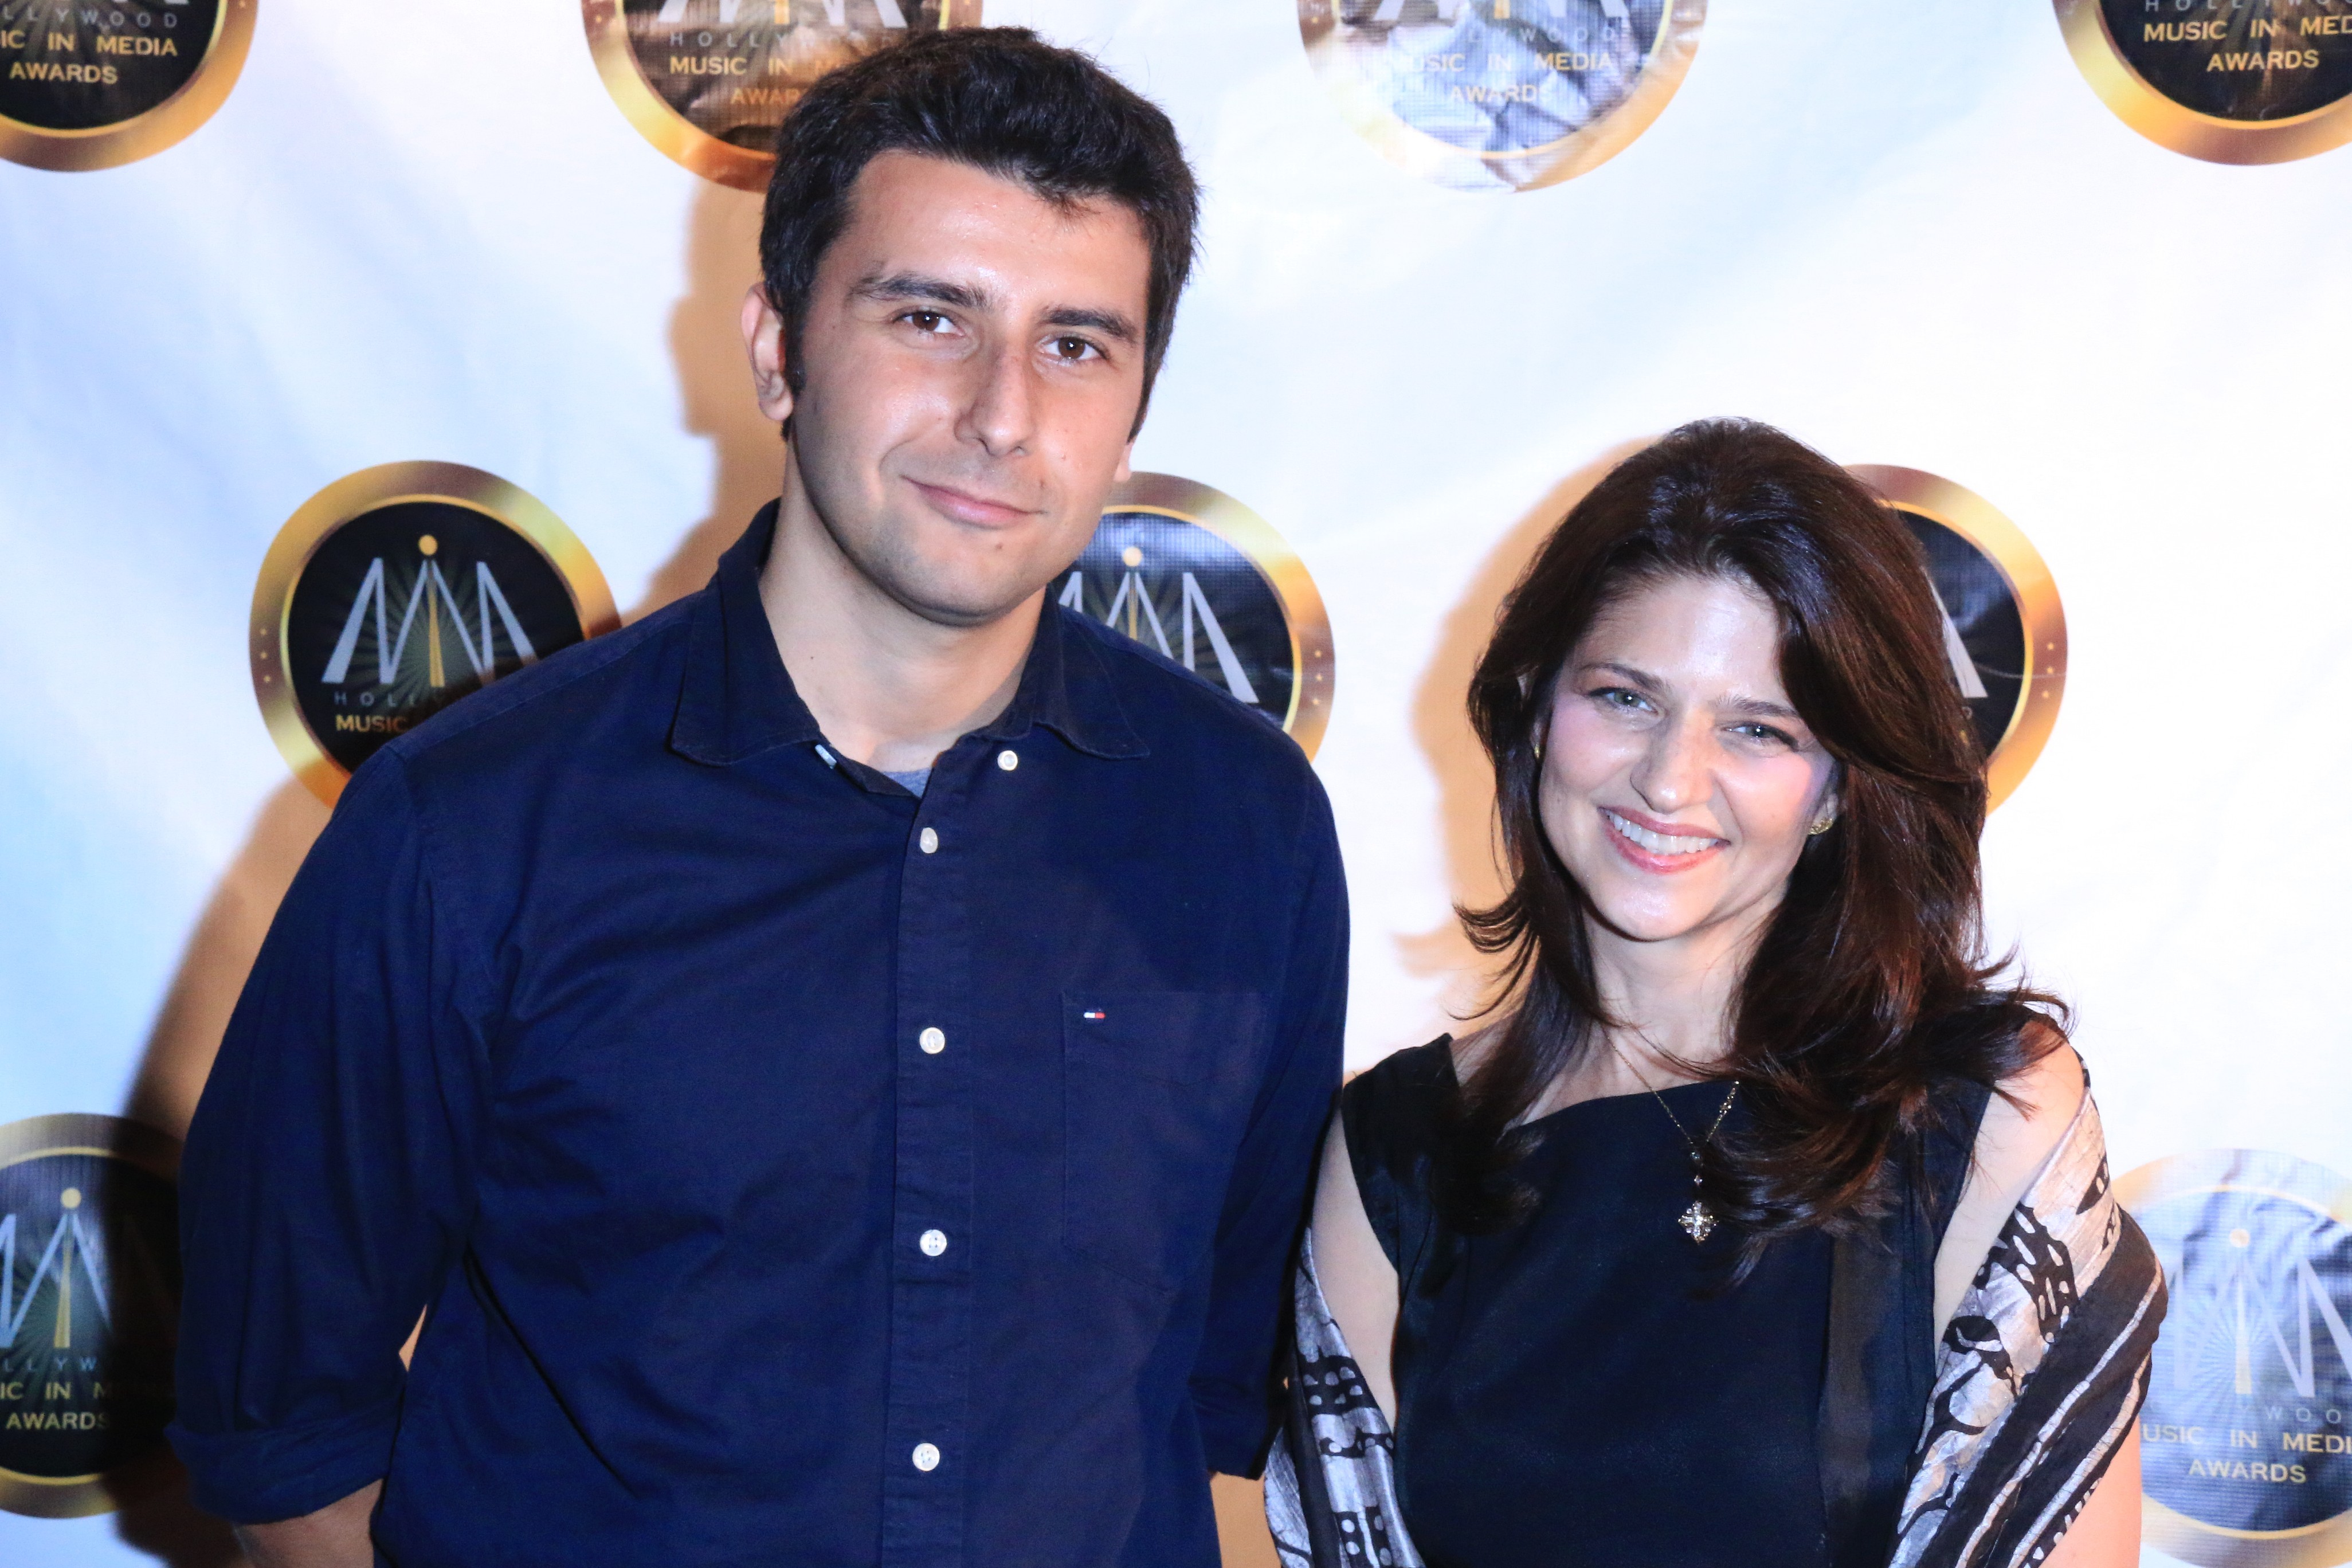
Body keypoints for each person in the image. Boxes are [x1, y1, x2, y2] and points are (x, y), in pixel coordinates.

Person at [170, 30, 1347, 1568]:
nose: (1003, 415)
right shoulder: (465, 831)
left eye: (1076, 344)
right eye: (929, 316)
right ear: (778, 348)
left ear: (1134, 405)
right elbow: (281, 1437)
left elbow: (1205, 1403)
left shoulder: (1246, 828)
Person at [1268, 421, 2163, 1568]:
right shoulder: (1397, 1152)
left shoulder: (1981, 1117)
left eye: (1756, 729)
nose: (1670, 779)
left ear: (1835, 788)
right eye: (1625, 698)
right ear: (1536, 710)